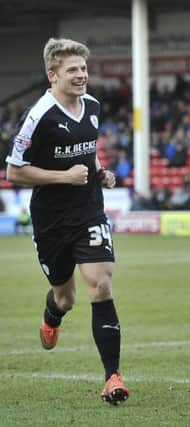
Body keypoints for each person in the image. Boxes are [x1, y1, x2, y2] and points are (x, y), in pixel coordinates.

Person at [5, 38, 129, 405]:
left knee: (100, 284)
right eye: (73, 70)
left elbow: (87, 155)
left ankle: (113, 377)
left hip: (88, 210)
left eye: (84, 69)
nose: (81, 76)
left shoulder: (92, 106)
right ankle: (52, 314)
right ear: (53, 75)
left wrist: (100, 172)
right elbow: (14, 171)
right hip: (50, 220)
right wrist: (62, 178)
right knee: (66, 296)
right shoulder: (39, 115)